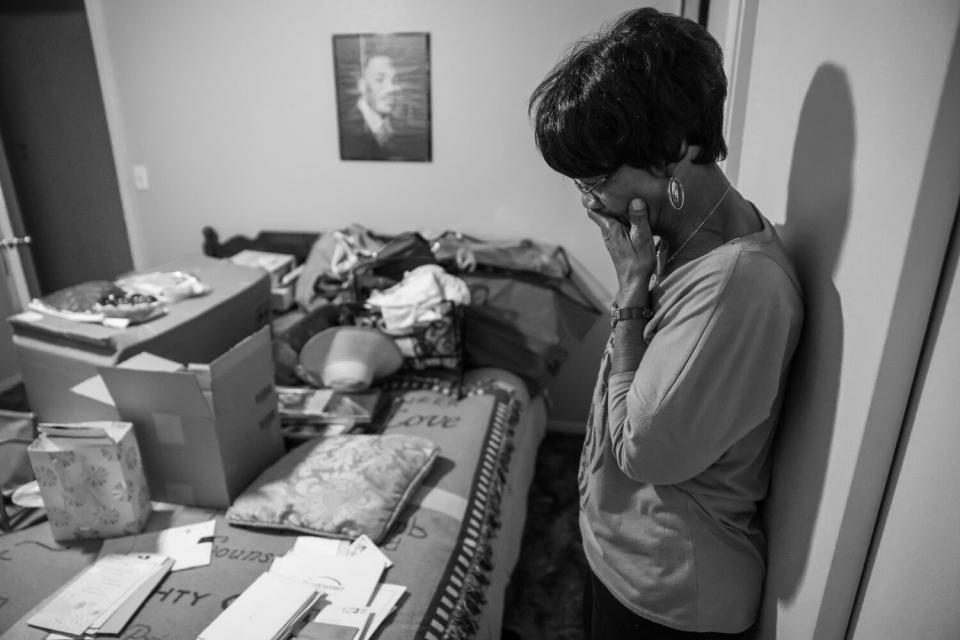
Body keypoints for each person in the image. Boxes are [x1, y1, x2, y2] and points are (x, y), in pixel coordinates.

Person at [528, 8, 804, 639]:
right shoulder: (674, 237)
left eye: (595, 179)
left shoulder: (738, 284)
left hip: (673, 590)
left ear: (675, 151)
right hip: (624, 555)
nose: (590, 201)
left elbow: (643, 450)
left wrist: (629, 298)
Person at [338, 44, 431, 162]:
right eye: (379, 79)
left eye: (395, 80)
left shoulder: (401, 124)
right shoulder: (348, 130)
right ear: (361, 86)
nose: (391, 88)